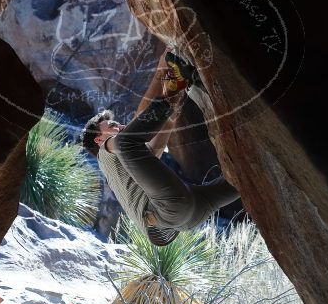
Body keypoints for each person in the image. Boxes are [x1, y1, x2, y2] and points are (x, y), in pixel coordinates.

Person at [81, 51, 240, 246]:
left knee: (244, 178)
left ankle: (177, 86)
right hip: (167, 211)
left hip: (187, 216)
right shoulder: (105, 152)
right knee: (125, 142)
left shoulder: (122, 169)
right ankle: (177, 85)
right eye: (112, 125)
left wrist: (175, 96)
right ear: (98, 139)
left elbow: (157, 143)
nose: (119, 126)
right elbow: (133, 133)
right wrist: (165, 79)